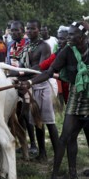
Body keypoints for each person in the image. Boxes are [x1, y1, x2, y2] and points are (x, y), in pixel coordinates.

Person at [19, 20, 89, 179]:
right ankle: (56, 177)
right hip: (75, 95)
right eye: (68, 34)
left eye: (72, 34)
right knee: (65, 137)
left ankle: (72, 174)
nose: (68, 37)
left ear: (83, 36)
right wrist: (30, 82)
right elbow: (49, 72)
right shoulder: (67, 51)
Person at [20, 19, 59, 162]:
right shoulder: (27, 46)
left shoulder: (44, 47)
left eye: (32, 29)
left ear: (39, 30)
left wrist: (22, 72)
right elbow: (22, 64)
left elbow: (42, 68)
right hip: (31, 86)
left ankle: (58, 154)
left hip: (43, 85)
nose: (29, 31)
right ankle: (42, 153)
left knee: (49, 122)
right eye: (28, 28)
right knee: (37, 120)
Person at [6, 20, 37, 154]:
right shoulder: (10, 45)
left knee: (26, 114)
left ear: (22, 31)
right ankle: (21, 142)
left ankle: (34, 144)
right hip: (13, 82)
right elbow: (7, 63)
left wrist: (19, 74)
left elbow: (31, 68)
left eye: (17, 30)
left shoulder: (29, 45)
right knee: (16, 115)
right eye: (12, 30)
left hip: (26, 82)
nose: (14, 33)